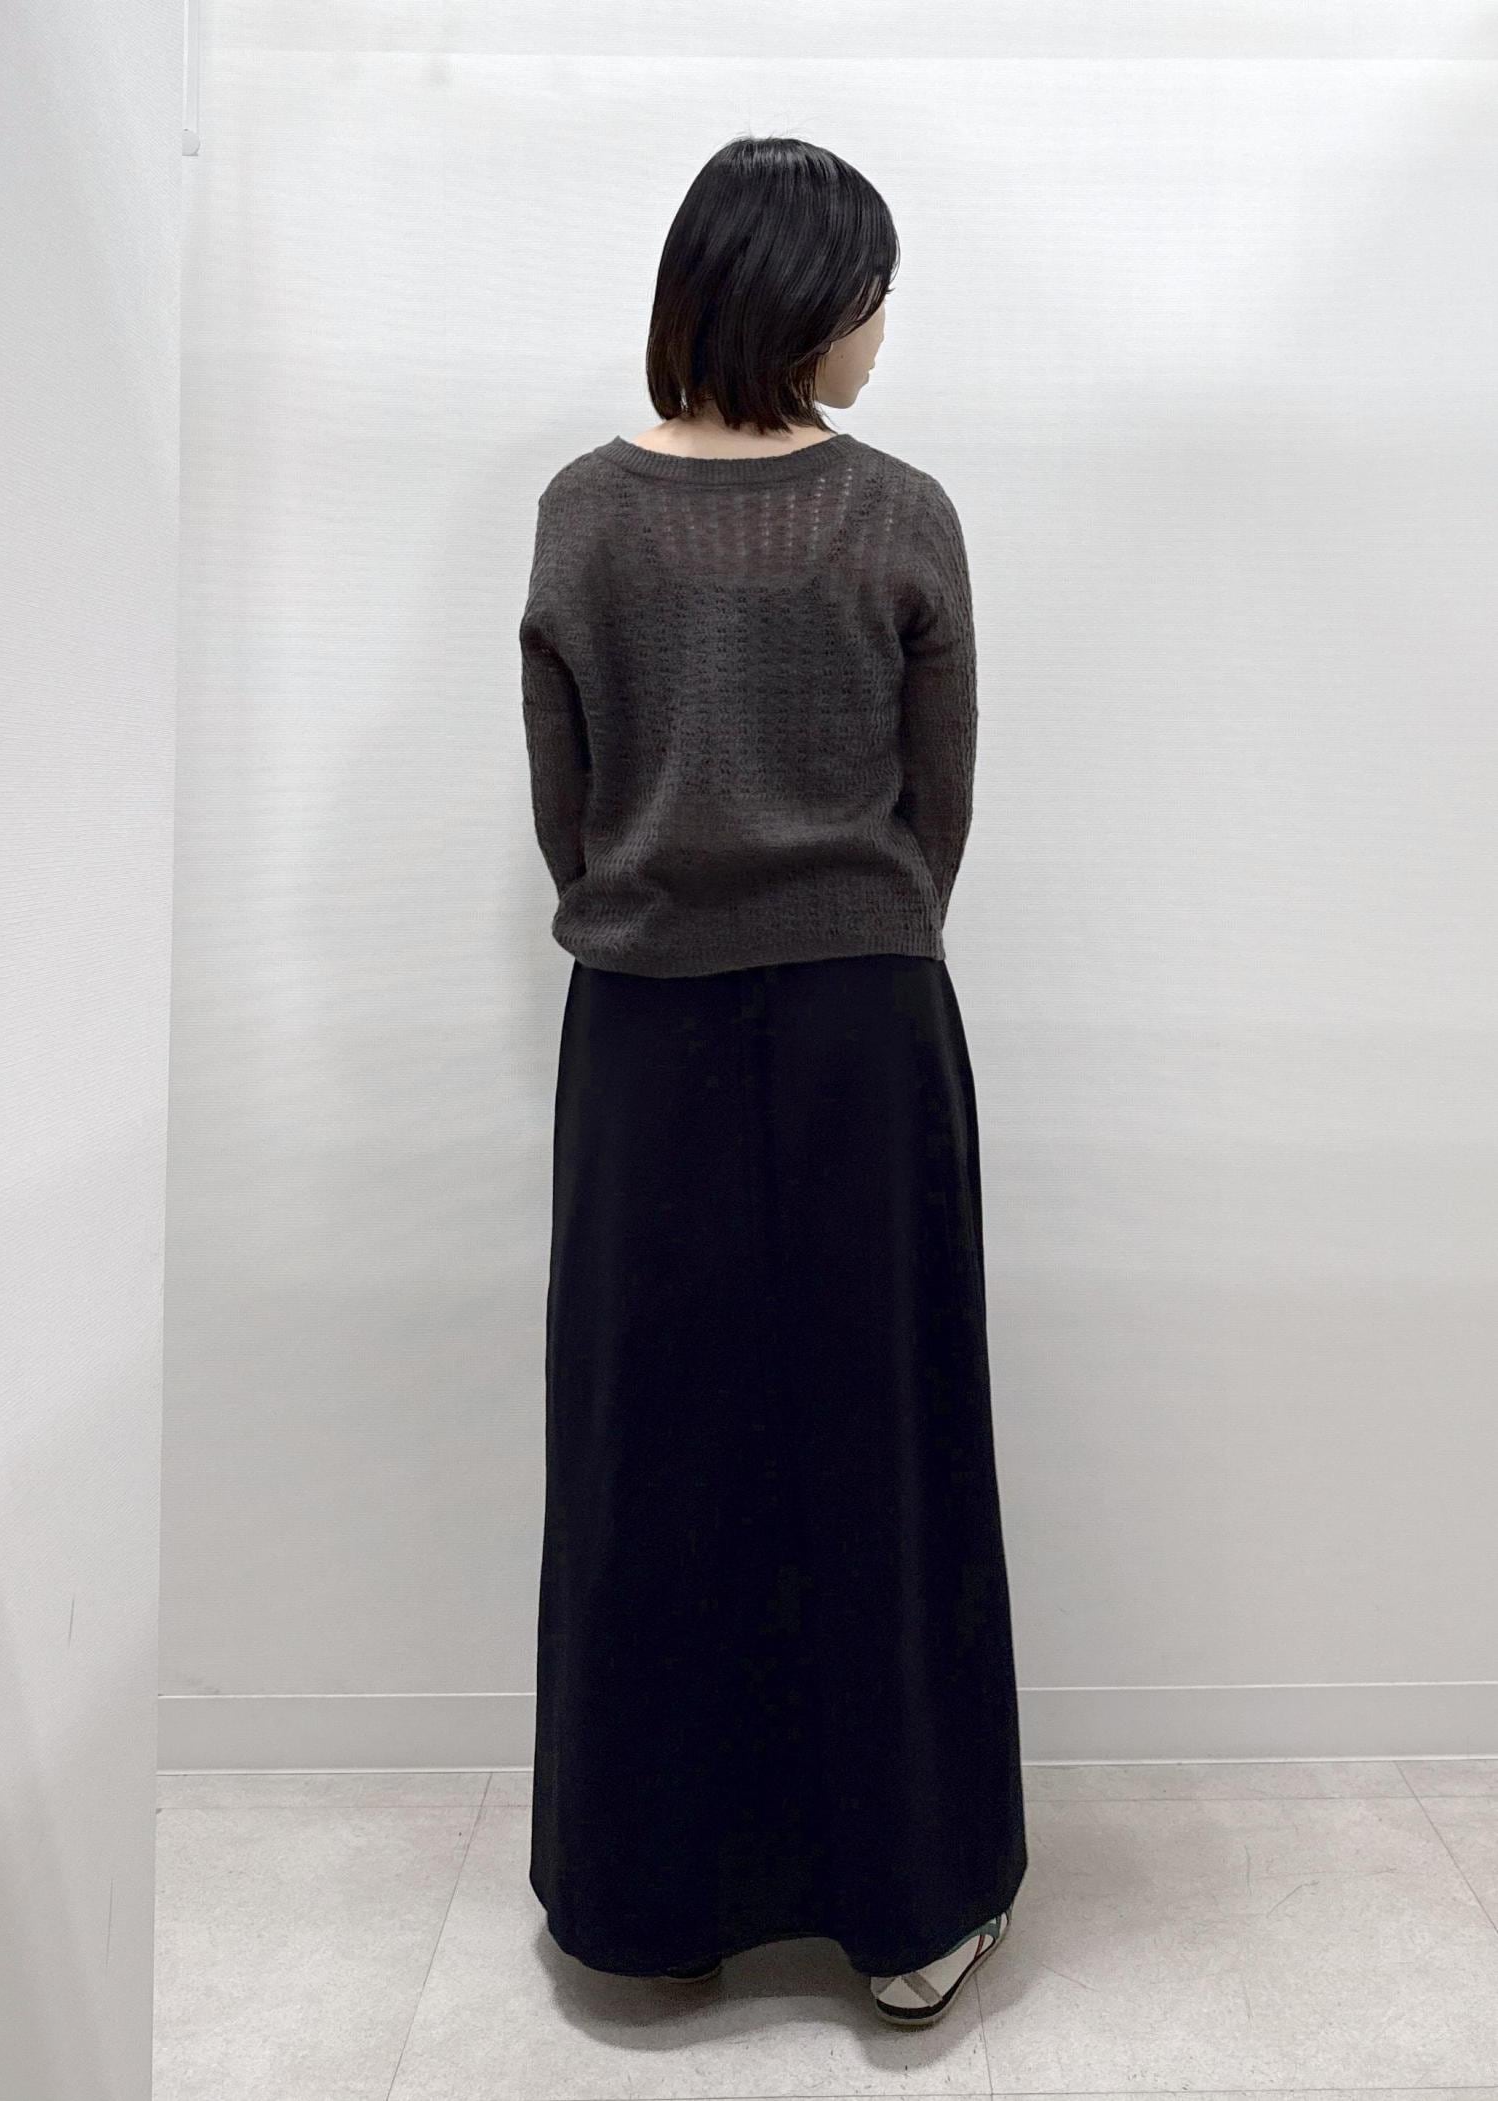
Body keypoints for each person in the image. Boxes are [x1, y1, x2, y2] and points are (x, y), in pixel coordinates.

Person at [519, 133, 1027, 2031]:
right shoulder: (898, 512)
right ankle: (909, 1907)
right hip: (862, 1033)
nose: (885, 328)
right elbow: (936, 796)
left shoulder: (585, 513)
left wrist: (661, 905)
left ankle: (652, 1906)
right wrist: (852, 915)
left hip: (642, 1034)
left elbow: (568, 803)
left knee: (651, 1452)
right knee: (880, 1444)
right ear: (809, 300)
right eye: (874, 293)